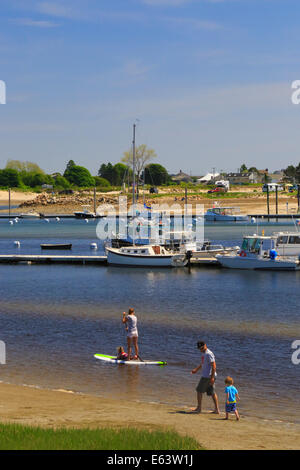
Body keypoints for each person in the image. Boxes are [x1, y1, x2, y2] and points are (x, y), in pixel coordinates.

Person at [191, 341, 220, 414]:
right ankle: (217, 410)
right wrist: (196, 369)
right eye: (200, 348)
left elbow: (214, 366)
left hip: (208, 376)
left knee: (199, 391)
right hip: (208, 376)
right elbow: (203, 363)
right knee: (212, 392)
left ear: (205, 345)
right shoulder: (204, 353)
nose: (201, 349)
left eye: (202, 348)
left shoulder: (209, 353)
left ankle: (199, 408)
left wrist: (212, 378)